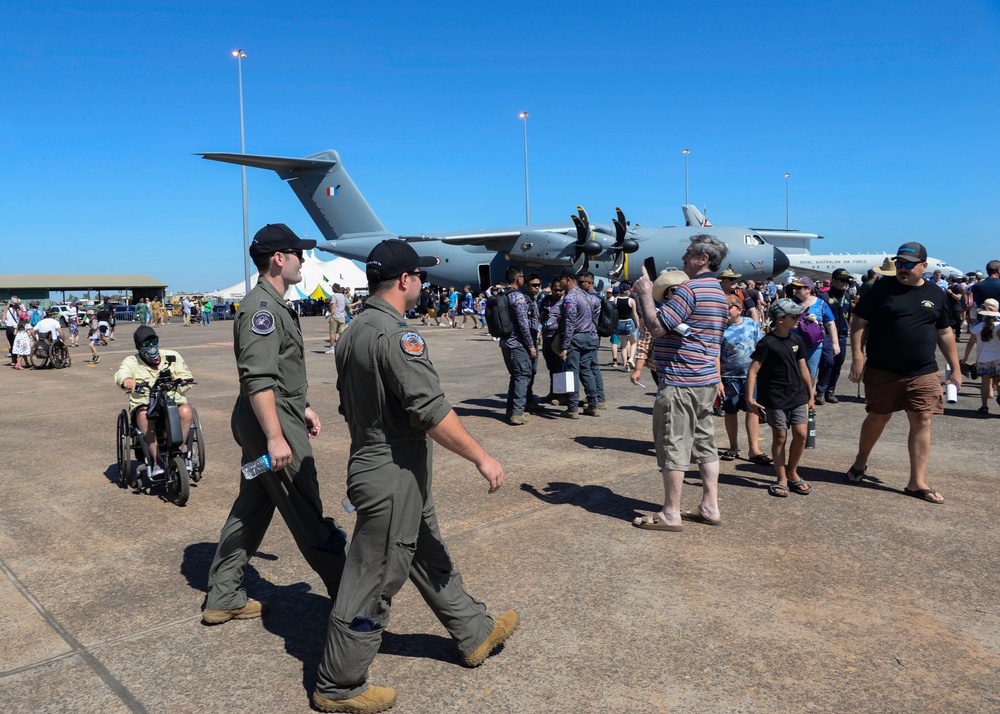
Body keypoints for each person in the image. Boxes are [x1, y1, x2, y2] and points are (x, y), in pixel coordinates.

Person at [313, 239, 518, 713]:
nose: (423, 283)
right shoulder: (397, 335)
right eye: (420, 276)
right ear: (404, 280)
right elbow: (430, 410)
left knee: (426, 549)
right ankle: (338, 684)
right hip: (391, 468)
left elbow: (351, 404)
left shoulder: (352, 330)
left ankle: (474, 632)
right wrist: (481, 456)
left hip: (378, 457)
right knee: (375, 574)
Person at [203, 223, 347, 625]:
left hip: (270, 419)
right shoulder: (261, 309)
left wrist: (301, 407)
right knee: (305, 504)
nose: (303, 260)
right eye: (298, 253)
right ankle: (355, 601)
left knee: (254, 502)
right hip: (268, 426)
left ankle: (223, 594)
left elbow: (276, 373)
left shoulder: (274, 303)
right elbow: (258, 379)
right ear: (279, 259)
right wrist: (276, 437)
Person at [846, 242, 961, 505]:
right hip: (883, 370)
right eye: (900, 264)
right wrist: (858, 356)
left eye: (909, 264)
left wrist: (955, 368)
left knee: (922, 419)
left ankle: (916, 482)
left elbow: (944, 332)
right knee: (878, 418)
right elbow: (859, 321)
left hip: (923, 371)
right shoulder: (880, 290)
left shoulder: (936, 293)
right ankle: (860, 462)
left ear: (923, 266)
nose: (903, 268)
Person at [630, 234, 729, 531]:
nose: (683, 259)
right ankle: (710, 505)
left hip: (681, 381)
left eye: (688, 254)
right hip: (706, 379)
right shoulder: (718, 292)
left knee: (673, 444)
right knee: (705, 444)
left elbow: (658, 327)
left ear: (703, 259)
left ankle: (670, 513)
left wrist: (646, 295)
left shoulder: (690, 290)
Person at [746, 299, 814, 497]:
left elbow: (803, 368)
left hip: (798, 395)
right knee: (781, 436)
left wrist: (810, 395)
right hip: (775, 397)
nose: (798, 319)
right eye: (794, 316)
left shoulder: (797, 340)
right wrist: (750, 399)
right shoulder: (767, 343)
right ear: (781, 319)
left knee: (801, 434)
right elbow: (753, 372)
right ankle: (781, 477)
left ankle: (792, 471)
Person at [114, 326, 194, 476]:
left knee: (186, 410)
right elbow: (120, 375)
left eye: (154, 341)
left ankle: (177, 454)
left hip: (172, 400)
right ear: (138, 347)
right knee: (143, 416)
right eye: (146, 344)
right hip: (145, 403)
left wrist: (181, 381)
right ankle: (157, 460)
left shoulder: (172, 356)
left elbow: (187, 376)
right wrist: (127, 381)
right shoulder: (131, 361)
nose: (151, 346)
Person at [718, 294, 771, 465]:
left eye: (728, 307)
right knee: (730, 410)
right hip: (729, 377)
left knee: (752, 410)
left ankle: (754, 449)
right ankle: (733, 447)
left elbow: (761, 346)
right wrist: (718, 379)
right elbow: (715, 356)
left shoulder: (750, 324)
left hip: (751, 376)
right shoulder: (720, 328)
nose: (724, 311)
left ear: (739, 309)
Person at [500, 267, 541, 424]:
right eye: (522, 277)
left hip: (505, 342)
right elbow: (523, 324)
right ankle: (517, 412)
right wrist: (531, 345)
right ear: (518, 279)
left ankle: (510, 410)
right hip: (517, 343)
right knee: (522, 376)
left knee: (515, 376)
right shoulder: (518, 297)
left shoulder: (503, 294)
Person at [558, 270, 600, 418]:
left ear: (568, 279)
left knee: (573, 373)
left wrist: (564, 346)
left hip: (575, 338)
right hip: (589, 336)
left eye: (561, 280)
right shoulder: (587, 296)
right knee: (587, 370)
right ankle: (594, 405)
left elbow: (569, 322)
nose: (559, 283)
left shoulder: (571, 297)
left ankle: (573, 408)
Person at [789, 276, 839, 398]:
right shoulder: (790, 303)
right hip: (793, 345)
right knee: (793, 373)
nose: (796, 290)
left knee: (811, 374)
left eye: (799, 288)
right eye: (795, 288)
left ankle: (808, 400)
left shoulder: (821, 304)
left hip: (814, 346)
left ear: (809, 289)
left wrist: (835, 343)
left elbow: (830, 323)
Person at [815, 268, 852, 403]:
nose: (845, 283)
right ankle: (820, 391)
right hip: (828, 334)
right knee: (828, 361)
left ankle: (831, 391)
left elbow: (850, 314)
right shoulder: (824, 297)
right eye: (842, 280)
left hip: (842, 333)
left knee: (838, 362)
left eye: (847, 280)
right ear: (833, 281)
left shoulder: (847, 297)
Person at [970, 298, 1000, 415]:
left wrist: (966, 358)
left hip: (983, 358)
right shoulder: (999, 326)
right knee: (999, 381)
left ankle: (984, 406)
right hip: (998, 358)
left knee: (985, 382)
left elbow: (970, 343)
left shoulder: (977, 327)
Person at [615, 283, 640, 370]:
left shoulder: (616, 300)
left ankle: (625, 366)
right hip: (629, 322)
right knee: (634, 342)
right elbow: (634, 314)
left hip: (619, 323)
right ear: (628, 291)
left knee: (624, 346)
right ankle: (631, 359)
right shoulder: (631, 300)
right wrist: (637, 323)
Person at [327, 283, 347, 354]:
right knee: (341, 333)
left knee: (332, 332)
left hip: (335, 316)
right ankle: (340, 347)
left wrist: (331, 316)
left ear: (334, 289)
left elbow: (333, 306)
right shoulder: (342, 296)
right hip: (342, 316)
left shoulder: (334, 296)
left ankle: (332, 348)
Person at [6, 296, 23, 365]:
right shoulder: (17, 310)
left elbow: (4, 320)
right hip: (15, 328)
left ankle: (13, 361)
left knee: (12, 344)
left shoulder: (7, 310)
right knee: (17, 345)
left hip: (8, 328)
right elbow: (21, 317)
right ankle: (16, 361)